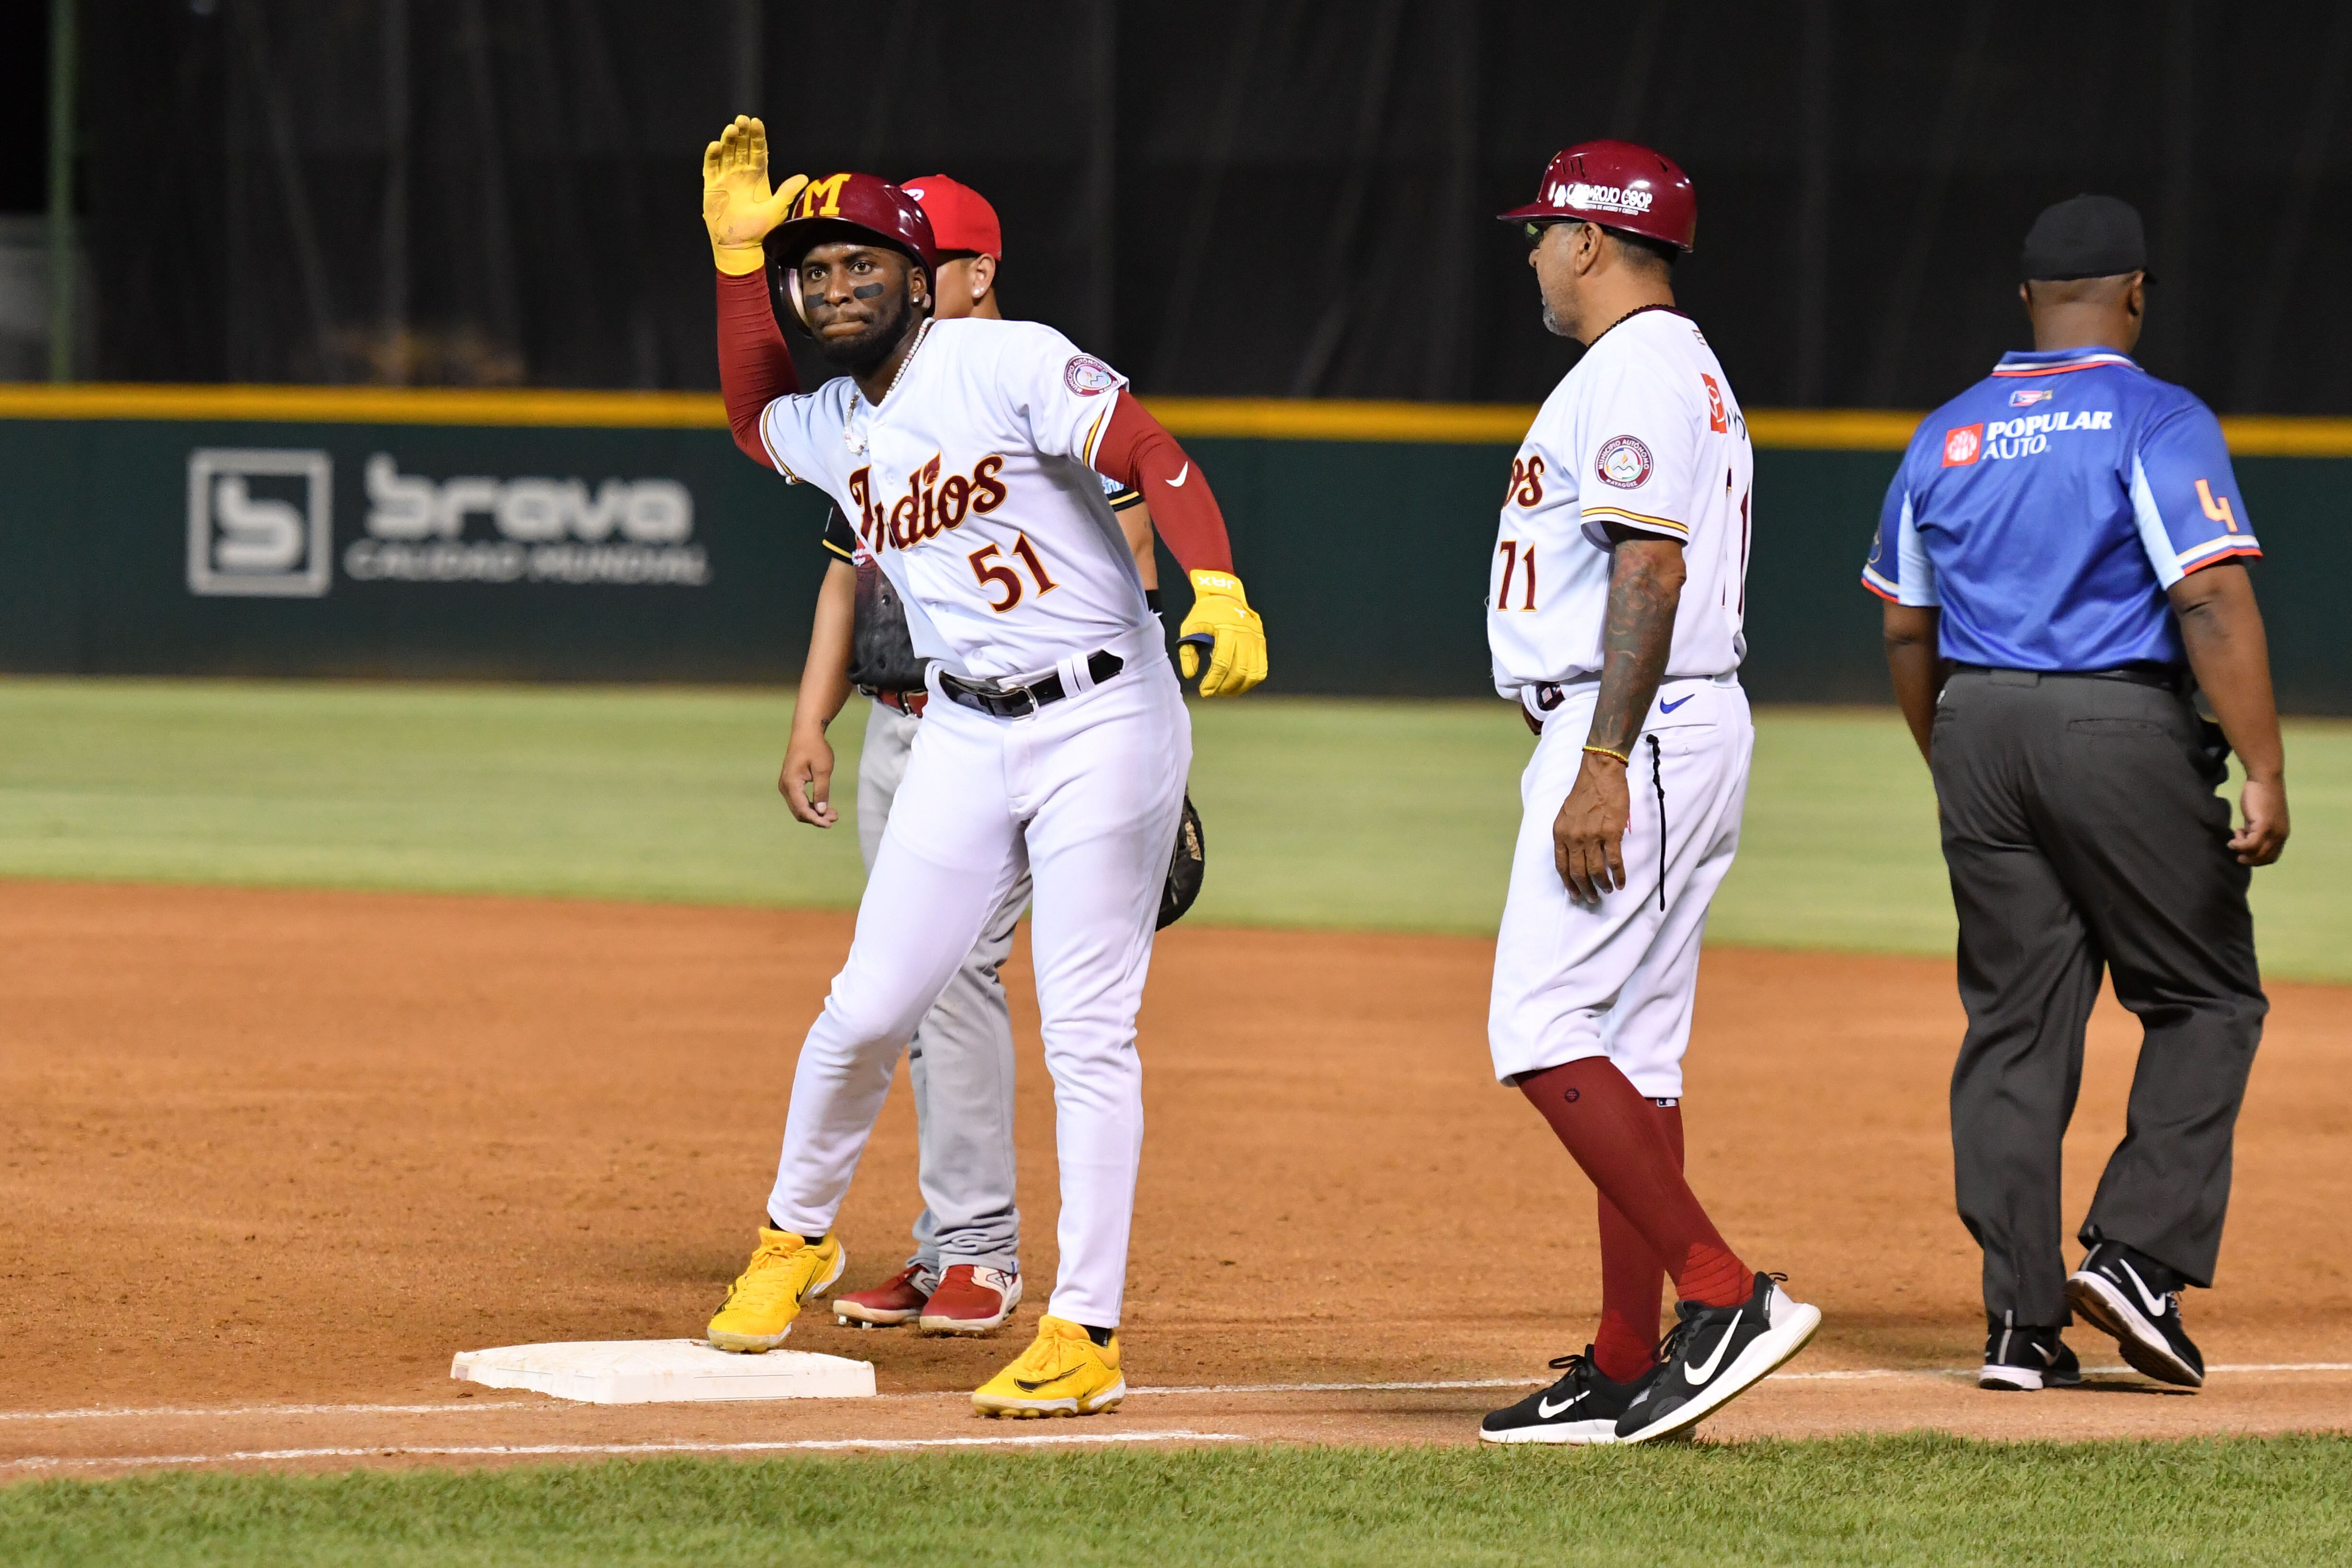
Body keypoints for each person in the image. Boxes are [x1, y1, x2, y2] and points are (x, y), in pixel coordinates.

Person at [696, 118, 1267, 1418]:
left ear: (920, 278)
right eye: (810, 272)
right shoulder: (837, 421)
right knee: (866, 1003)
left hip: (1103, 717)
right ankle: (795, 1235)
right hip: (962, 728)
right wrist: (733, 266)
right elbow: (747, 419)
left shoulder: (1005, 359)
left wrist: (1217, 580)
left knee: (1087, 1028)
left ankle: (1085, 1326)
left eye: (860, 265)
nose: (833, 287)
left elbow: (1149, 450)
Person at [1863, 194, 2284, 1394]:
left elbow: (1905, 628)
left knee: (2014, 1026)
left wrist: (1952, 756)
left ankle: (2018, 1324)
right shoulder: (2156, 416)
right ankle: (2139, 1255)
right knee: (2205, 993)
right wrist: (2264, 765)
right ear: (2137, 293)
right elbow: (2208, 595)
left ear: (2026, 301)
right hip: (2116, 720)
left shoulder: (1946, 431)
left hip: (1976, 723)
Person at [773, 172, 1166, 1338]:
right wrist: (813, 716)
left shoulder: (1025, 377)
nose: (859, 284)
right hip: (930, 724)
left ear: (964, 273)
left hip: (1073, 718)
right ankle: (952, 1238)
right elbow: (846, 568)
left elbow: (1135, 531)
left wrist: (1152, 741)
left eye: (901, 258)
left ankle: (986, 1253)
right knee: (910, 991)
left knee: (989, 994)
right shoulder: (868, 416)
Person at [1474, 142, 1819, 1449]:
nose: (1531, 256)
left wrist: (1603, 762)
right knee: (1631, 1048)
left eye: (1540, 233)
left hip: (1639, 729)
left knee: (1538, 1022)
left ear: (1586, 241)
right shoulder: (1674, 366)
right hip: (1664, 722)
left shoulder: (1633, 368)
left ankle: (1722, 1294)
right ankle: (1625, 1363)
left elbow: (1649, 571)